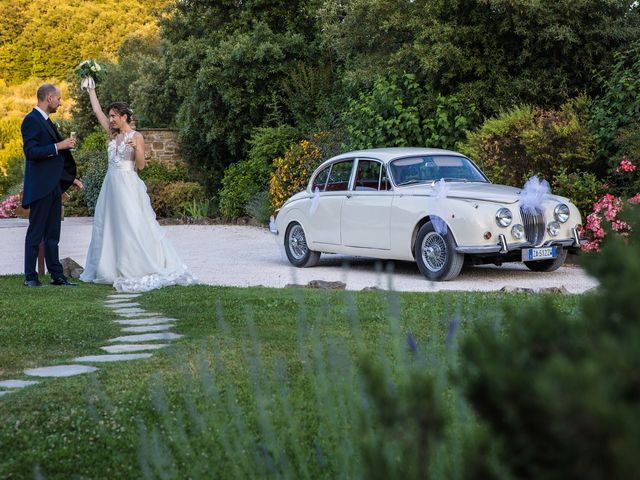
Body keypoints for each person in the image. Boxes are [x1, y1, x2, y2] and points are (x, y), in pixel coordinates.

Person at [79, 77, 196, 292]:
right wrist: (91, 91)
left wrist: (137, 149)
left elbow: (141, 166)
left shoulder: (137, 136)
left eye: (114, 116)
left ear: (124, 117)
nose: (111, 119)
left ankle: (136, 264)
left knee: (131, 224)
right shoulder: (111, 134)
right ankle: (109, 268)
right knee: (109, 225)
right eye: (111, 116)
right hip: (111, 185)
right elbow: (97, 113)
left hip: (128, 185)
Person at [21, 83, 82, 287]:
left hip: (53, 187)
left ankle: (57, 276)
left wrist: (70, 179)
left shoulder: (47, 121)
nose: (60, 102)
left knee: (53, 235)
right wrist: (59, 145)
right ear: (48, 98)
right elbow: (31, 152)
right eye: (58, 98)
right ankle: (30, 277)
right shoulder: (31, 120)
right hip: (40, 188)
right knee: (36, 233)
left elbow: (52, 162)